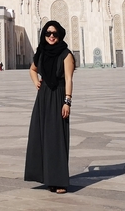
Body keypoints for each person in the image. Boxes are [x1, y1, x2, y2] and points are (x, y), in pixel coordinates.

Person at [24, 20, 75, 194]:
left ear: (59, 35)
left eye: (54, 33)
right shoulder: (42, 52)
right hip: (44, 96)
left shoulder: (66, 54)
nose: (51, 36)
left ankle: (59, 180)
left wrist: (67, 101)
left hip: (58, 95)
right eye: (48, 33)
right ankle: (47, 178)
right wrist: (36, 82)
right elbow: (32, 69)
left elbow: (68, 79)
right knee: (42, 136)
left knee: (56, 137)